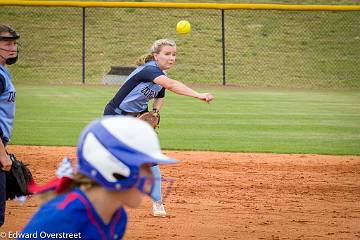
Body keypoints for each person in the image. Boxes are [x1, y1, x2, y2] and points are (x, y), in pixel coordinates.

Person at [103, 38, 214, 217]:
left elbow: (161, 93)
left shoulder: (161, 76)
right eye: (167, 54)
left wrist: (154, 111)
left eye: (174, 54)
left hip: (139, 118)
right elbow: (171, 85)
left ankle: (157, 202)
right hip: (116, 115)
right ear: (156, 56)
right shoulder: (149, 70)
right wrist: (198, 95)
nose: (171, 58)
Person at [20, 116, 177, 239]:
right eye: (144, 170)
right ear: (113, 170)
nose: (150, 183)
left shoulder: (117, 217)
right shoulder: (60, 220)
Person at [0, 24, 20, 227]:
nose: (13, 47)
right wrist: (2, 154)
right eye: (7, 43)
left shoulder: (3, 72)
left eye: (14, 43)